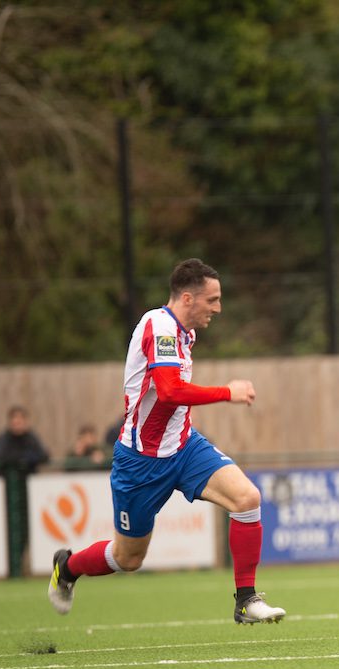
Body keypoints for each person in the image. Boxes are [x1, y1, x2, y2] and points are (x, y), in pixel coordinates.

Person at [47, 259, 285, 624]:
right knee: (128, 558)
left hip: (184, 447)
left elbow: (171, 399)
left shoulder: (185, 333)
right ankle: (67, 568)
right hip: (140, 461)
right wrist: (227, 392)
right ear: (188, 298)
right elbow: (170, 391)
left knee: (247, 498)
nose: (218, 308)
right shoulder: (159, 327)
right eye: (212, 300)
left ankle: (246, 601)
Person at [0, 405, 51, 476]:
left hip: (29, 477)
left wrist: (27, 459)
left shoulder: (31, 438)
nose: (17, 421)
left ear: (25, 421)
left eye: (20, 419)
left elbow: (44, 456)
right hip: (6, 478)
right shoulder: (3, 439)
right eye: (15, 418)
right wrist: (21, 459)